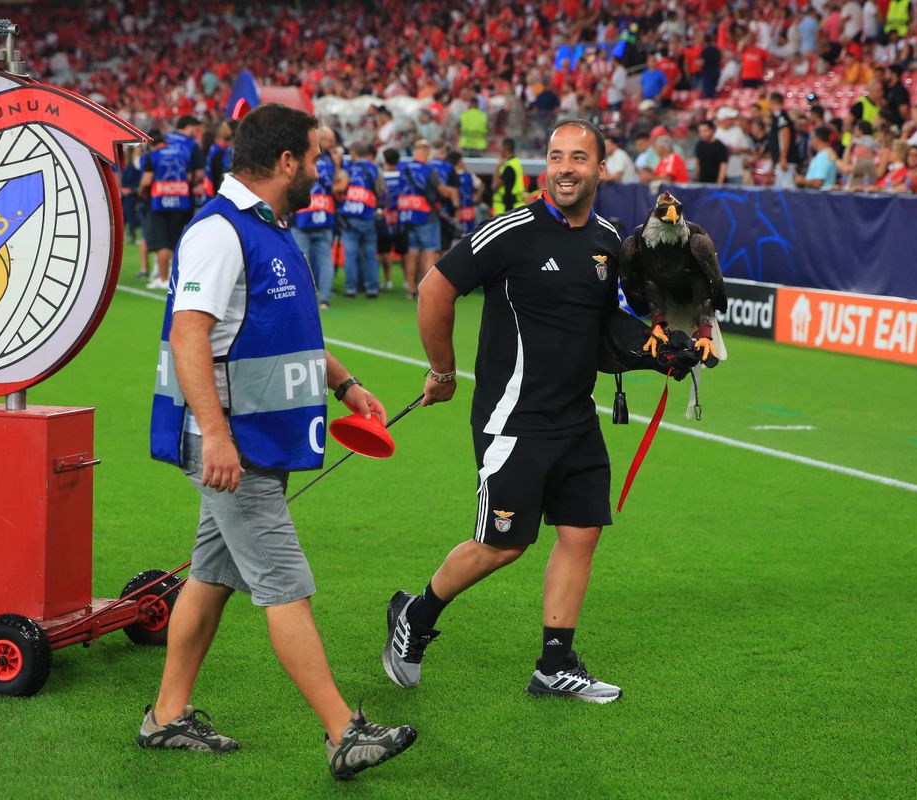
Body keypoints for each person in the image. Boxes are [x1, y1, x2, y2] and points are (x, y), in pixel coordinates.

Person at [145, 103, 417, 779]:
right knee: (285, 583)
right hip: (236, 447)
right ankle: (343, 733)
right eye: (317, 157)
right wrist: (215, 435)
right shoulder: (220, 232)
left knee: (210, 576)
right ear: (287, 160)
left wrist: (346, 384)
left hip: (253, 440)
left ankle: (166, 716)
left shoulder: (266, 227)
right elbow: (188, 335)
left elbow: (285, 332)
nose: (322, 169)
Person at [381, 119, 630, 703]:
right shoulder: (511, 230)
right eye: (556, 156)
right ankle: (416, 615)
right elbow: (435, 289)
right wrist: (443, 372)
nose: (564, 168)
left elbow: (607, 329)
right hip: (514, 421)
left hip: (577, 419)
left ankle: (554, 664)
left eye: (578, 158)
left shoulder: (609, 240)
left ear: (600, 168)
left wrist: (663, 351)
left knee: (581, 534)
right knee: (502, 545)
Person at [141, 115, 205, 290]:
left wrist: (141, 193)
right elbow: (198, 174)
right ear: (189, 126)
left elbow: (147, 179)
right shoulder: (190, 147)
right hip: (182, 200)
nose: (196, 132)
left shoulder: (159, 148)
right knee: (176, 241)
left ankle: (163, 277)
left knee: (161, 241)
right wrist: (186, 185)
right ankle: (174, 276)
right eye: (195, 128)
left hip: (158, 201)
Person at [399, 139, 455, 299]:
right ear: (425, 152)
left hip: (408, 215)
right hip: (426, 216)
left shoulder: (404, 168)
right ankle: (425, 292)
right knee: (430, 253)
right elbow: (442, 191)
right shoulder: (429, 170)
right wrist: (450, 191)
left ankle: (410, 290)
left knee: (412, 252)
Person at [292, 126, 339, 308]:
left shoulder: (301, 158)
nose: (333, 144)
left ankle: (304, 298)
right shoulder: (330, 161)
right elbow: (335, 185)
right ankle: (324, 299)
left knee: (301, 260)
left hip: (303, 215)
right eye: (330, 140)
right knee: (324, 259)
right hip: (324, 214)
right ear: (321, 140)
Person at [339, 141, 382, 298]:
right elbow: (380, 190)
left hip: (350, 216)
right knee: (370, 254)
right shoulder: (375, 168)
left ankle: (351, 289)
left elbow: (340, 187)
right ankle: (372, 288)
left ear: (354, 153)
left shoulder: (348, 167)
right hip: (368, 215)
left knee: (350, 255)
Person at [377, 147, 407, 291]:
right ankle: (407, 281)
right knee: (403, 252)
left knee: (385, 251)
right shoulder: (403, 178)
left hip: (385, 218)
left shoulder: (380, 177)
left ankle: (388, 280)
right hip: (401, 218)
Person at [714, 107, 752, 185]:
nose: (733, 120)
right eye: (730, 118)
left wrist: (733, 150)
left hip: (736, 171)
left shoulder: (737, 130)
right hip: (720, 172)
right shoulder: (715, 133)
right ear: (724, 119)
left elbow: (746, 148)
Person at [796, 125, 839, 189]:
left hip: (820, 195)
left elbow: (818, 182)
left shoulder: (824, 156)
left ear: (816, 139)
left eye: (811, 138)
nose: (810, 141)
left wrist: (802, 181)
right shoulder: (823, 154)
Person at [490, 137, 524, 216]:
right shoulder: (516, 163)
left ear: (504, 148)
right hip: (517, 205)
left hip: (510, 208)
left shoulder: (509, 167)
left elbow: (494, 187)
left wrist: (497, 166)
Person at [694, 120, 730, 184]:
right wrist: (696, 178)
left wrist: (719, 184)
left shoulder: (720, 146)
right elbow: (698, 163)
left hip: (716, 183)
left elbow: (723, 166)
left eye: (705, 131)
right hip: (702, 183)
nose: (702, 134)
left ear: (712, 130)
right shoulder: (699, 145)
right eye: (700, 131)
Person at [205, 121, 233, 195]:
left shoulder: (213, 149)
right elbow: (220, 176)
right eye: (227, 139)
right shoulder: (218, 153)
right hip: (216, 191)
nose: (229, 143)